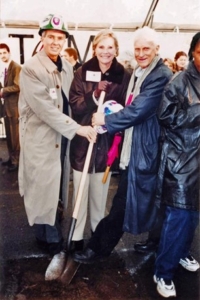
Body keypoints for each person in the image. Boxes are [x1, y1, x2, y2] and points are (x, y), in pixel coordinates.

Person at [72, 26, 173, 264]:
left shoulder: (158, 75)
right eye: (137, 49)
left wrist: (106, 119)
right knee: (152, 199)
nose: (140, 53)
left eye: (146, 48)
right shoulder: (138, 72)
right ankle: (156, 242)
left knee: (123, 203)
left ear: (157, 49)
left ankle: (97, 249)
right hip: (133, 147)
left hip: (144, 150)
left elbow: (138, 110)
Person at [18, 13, 96, 262]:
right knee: (43, 186)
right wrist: (77, 129)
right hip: (41, 138)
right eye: (50, 37)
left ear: (64, 40)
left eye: (59, 38)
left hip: (61, 137)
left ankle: (44, 232)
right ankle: (50, 238)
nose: (55, 42)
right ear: (42, 37)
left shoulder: (66, 66)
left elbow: (73, 99)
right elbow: (44, 109)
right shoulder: (31, 68)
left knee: (55, 186)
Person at [69, 29, 131, 252]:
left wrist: (108, 118)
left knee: (99, 195)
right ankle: (75, 238)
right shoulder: (82, 72)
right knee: (80, 192)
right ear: (94, 48)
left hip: (107, 145)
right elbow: (75, 104)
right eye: (101, 47)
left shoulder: (124, 75)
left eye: (110, 47)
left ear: (116, 49)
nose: (105, 52)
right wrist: (94, 95)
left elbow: (128, 108)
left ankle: (97, 237)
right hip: (83, 143)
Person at [153, 32, 200, 298]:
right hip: (181, 162)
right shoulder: (179, 81)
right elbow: (165, 116)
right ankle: (163, 272)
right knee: (179, 217)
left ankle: (181, 253)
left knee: (193, 217)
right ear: (193, 52)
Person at [0, 43, 21, 172]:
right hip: (7, 107)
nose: (2, 55)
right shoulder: (4, 69)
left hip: (14, 108)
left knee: (15, 137)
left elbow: (18, 86)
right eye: (0, 54)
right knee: (9, 136)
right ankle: (11, 158)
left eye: (4, 53)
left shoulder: (16, 67)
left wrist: (3, 91)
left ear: (9, 53)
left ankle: (16, 161)